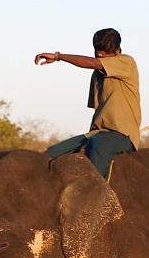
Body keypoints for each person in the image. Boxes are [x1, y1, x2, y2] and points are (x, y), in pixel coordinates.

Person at [35, 28, 141, 179]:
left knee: (98, 151)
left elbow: (92, 63)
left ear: (118, 51)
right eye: (98, 55)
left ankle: (100, 200)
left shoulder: (127, 62)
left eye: (106, 57)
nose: (102, 60)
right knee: (50, 154)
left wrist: (58, 56)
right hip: (96, 133)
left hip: (121, 134)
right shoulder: (97, 75)